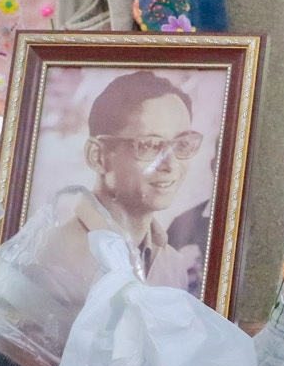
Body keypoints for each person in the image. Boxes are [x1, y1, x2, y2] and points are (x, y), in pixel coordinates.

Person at [39, 70, 208, 294]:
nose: (171, 165)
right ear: (97, 156)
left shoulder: (171, 264)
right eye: (149, 145)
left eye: (182, 145)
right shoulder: (56, 256)